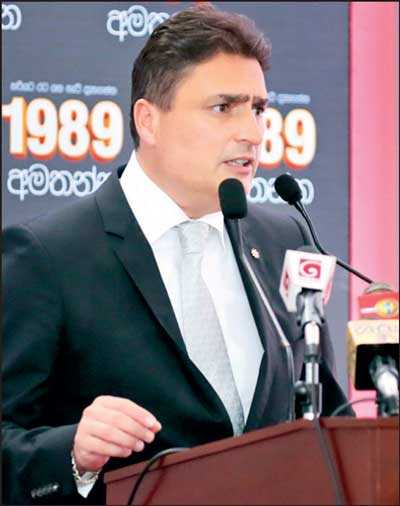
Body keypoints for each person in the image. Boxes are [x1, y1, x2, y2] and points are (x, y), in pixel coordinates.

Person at [2, 4, 352, 504]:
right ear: (149, 121)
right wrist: (72, 453)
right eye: (223, 107)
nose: (253, 133)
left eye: (257, 109)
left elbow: (330, 418)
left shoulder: (285, 239)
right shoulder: (49, 255)